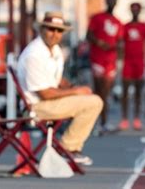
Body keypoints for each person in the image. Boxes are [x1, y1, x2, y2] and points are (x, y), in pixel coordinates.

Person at [17, 11, 103, 166]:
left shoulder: (54, 50)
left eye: (59, 30)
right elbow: (45, 94)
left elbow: (56, 79)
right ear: (42, 29)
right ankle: (68, 148)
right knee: (93, 103)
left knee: (90, 99)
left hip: (47, 103)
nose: (54, 34)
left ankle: (69, 148)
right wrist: (76, 92)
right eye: (51, 29)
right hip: (35, 107)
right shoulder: (34, 54)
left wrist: (74, 88)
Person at [86, 0, 123, 134]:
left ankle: (103, 122)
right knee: (98, 92)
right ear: (106, 0)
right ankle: (95, 123)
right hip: (97, 59)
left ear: (116, 2)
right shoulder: (96, 18)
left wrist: (118, 52)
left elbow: (119, 42)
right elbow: (88, 35)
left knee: (105, 93)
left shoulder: (118, 22)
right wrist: (99, 43)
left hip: (111, 61)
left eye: (114, 0)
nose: (112, 2)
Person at [119, 3, 145, 130]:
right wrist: (119, 61)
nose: (135, 11)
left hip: (140, 62)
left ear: (140, 11)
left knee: (138, 91)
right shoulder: (125, 26)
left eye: (137, 9)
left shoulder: (144, 27)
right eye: (133, 9)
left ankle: (137, 118)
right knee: (125, 91)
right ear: (130, 10)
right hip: (127, 62)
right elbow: (121, 44)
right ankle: (125, 119)